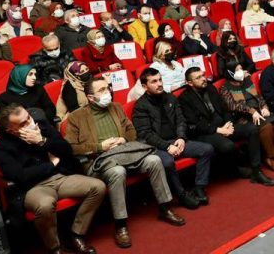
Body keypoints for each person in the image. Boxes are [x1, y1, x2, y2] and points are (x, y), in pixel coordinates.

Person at [65, 75, 185, 248]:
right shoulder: (76, 117)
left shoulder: (116, 107)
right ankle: (120, 224)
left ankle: (165, 207)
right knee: (118, 172)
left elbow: (132, 132)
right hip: (99, 161)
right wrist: (100, 146)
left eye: (108, 88)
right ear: (90, 97)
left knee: (153, 160)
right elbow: (71, 148)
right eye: (102, 90)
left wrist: (123, 139)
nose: (108, 92)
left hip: (125, 153)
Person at [0, 104, 105, 254]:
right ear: (11, 130)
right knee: (45, 204)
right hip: (32, 188)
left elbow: (67, 150)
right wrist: (51, 164)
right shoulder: (1, 146)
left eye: (29, 117)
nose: (30, 122)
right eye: (23, 123)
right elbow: (20, 175)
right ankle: (55, 248)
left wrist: (43, 141)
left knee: (98, 187)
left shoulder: (42, 126)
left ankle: (76, 234)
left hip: (58, 177)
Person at [132, 68, 213, 209]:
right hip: (157, 146)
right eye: (154, 81)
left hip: (176, 141)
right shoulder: (140, 106)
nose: (159, 84)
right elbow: (146, 134)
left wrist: (181, 138)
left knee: (207, 149)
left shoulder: (170, 98)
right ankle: (181, 194)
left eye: (160, 80)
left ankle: (199, 187)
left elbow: (181, 121)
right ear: (145, 86)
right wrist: (167, 147)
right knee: (168, 163)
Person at [179, 67, 274, 186]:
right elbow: (195, 124)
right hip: (207, 132)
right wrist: (218, 130)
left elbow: (225, 109)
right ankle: (233, 170)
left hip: (224, 125)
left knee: (252, 129)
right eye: (198, 78)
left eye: (203, 75)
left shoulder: (210, 88)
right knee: (228, 146)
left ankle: (256, 170)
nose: (203, 79)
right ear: (189, 83)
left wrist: (228, 123)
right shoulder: (184, 98)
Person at [219, 65, 274, 172]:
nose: (241, 71)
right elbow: (233, 106)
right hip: (244, 117)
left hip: (259, 112)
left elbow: (259, 97)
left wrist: (264, 107)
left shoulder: (247, 81)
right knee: (266, 127)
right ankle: (270, 157)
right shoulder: (225, 88)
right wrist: (251, 111)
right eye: (237, 70)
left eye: (241, 68)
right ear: (230, 73)